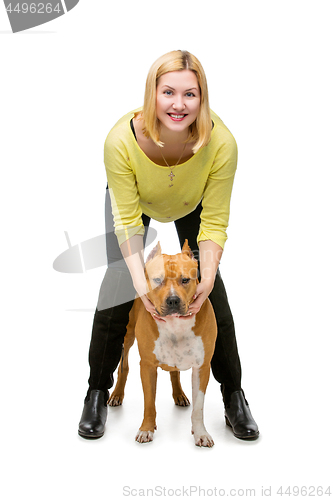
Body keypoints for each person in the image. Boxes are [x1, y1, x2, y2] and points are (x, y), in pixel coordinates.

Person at [78, 50, 259, 441]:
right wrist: (142, 286)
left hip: (191, 202)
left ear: (202, 97)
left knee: (214, 291)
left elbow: (215, 221)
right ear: (152, 94)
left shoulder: (222, 143)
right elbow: (127, 221)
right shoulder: (119, 142)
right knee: (117, 285)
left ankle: (234, 396)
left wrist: (206, 277)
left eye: (190, 94)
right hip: (138, 202)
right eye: (168, 93)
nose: (179, 104)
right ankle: (97, 390)